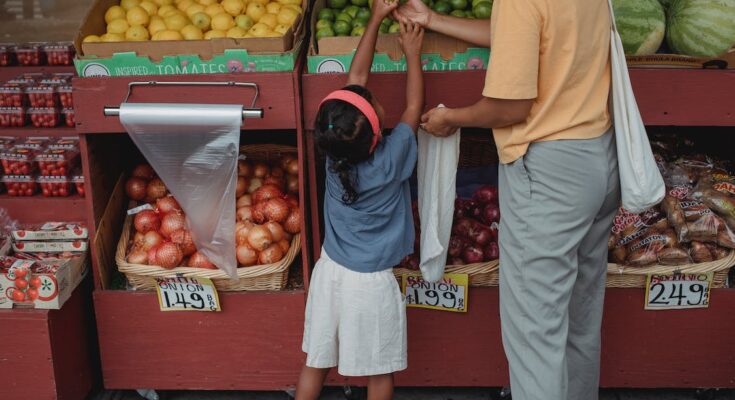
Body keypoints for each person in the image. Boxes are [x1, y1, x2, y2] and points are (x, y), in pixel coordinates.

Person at [396, 1, 619, 400]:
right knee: (579, 321)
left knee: (535, 334)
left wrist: (452, 119)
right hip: (597, 156)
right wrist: (433, 20)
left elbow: (509, 107)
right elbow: (524, 35)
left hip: (549, 171)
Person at [295, 0, 425, 398]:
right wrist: (412, 55)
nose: (375, 99)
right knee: (379, 372)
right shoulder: (391, 156)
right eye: (373, 105)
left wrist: (375, 17)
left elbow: (356, 74)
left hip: (330, 272)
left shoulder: (335, 153)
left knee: (315, 361)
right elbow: (415, 107)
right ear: (373, 134)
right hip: (371, 284)